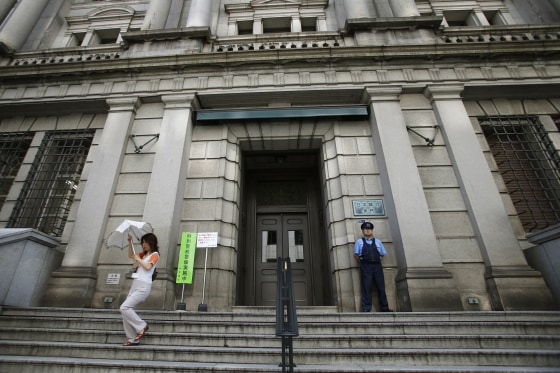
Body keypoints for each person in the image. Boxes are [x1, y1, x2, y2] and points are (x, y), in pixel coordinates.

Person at [120, 232, 159, 346]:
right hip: (135, 284)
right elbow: (131, 255)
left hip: (144, 285)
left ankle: (141, 326)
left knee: (124, 307)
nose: (144, 245)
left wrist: (139, 259)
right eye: (143, 242)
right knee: (125, 311)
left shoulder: (154, 254)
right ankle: (133, 339)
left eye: (146, 242)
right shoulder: (144, 254)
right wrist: (130, 242)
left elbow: (147, 267)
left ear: (152, 242)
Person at [354, 222, 393, 312]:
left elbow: (382, 253)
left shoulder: (378, 241)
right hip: (365, 266)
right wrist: (361, 262)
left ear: (372, 230)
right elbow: (356, 254)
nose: (368, 231)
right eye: (366, 229)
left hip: (377, 266)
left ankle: (384, 308)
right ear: (363, 231)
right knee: (366, 287)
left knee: (381, 287)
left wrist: (377, 259)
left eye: (369, 229)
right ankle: (366, 308)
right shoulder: (359, 242)